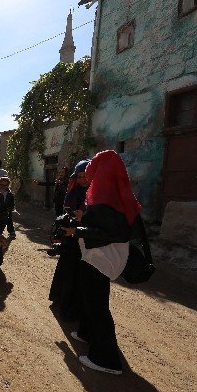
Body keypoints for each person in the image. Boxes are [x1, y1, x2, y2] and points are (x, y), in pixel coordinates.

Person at [62, 150, 142, 375]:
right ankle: (87, 333)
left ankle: (106, 359)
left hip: (101, 259)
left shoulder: (106, 197)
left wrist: (76, 230)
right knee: (91, 299)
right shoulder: (114, 194)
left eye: (92, 170)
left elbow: (105, 232)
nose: (88, 175)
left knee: (97, 306)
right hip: (101, 258)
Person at [48, 159, 90, 322]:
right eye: (78, 177)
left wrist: (84, 217)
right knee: (67, 270)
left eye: (85, 176)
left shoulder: (97, 194)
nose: (81, 180)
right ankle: (62, 301)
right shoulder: (73, 192)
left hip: (88, 240)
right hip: (71, 239)